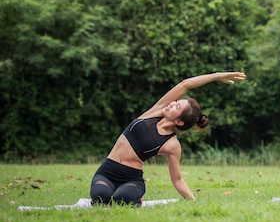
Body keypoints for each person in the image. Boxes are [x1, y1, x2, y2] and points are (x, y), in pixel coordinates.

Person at [90, 71, 246, 206]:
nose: (172, 104)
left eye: (177, 107)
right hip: (107, 171)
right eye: (176, 102)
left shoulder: (172, 145)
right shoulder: (156, 111)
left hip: (131, 178)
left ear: (179, 121)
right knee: (100, 197)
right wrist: (217, 76)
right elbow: (185, 84)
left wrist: (193, 202)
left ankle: (136, 195)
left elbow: (177, 180)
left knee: (121, 200)